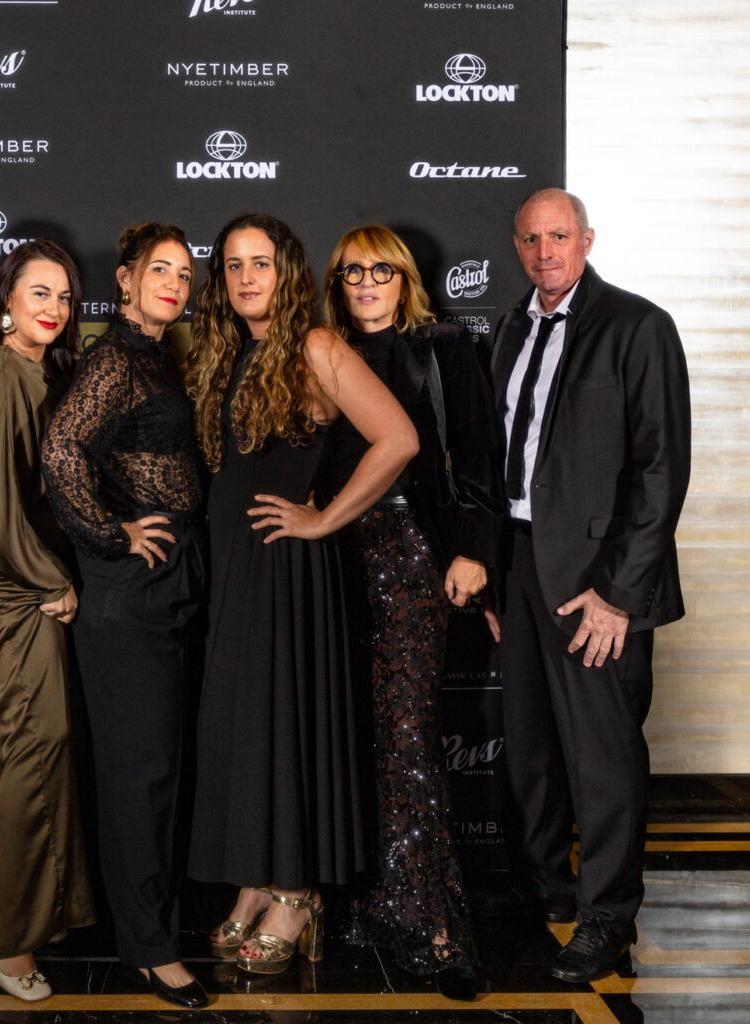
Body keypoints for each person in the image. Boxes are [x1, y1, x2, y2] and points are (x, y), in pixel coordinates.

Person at [186, 213, 417, 976]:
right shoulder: (227, 350)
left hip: (286, 571)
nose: (246, 277)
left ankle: (297, 893)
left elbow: (399, 439)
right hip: (234, 571)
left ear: (287, 272)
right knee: (247, 728)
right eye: (233, 265)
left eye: (261, 263)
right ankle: (257, 878)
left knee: (283, 725)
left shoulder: (315, 346)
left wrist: (323, 519)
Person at [490, 188, 690, 983]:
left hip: (595, 582)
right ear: (517, 246)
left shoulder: (638, 325)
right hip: (519, 565)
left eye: (559, 236)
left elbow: (661, 470)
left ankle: (608, 918)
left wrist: (620, 594)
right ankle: (547, 891)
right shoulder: (510, 327)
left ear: (587, 239)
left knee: (603, 759)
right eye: (531, 239)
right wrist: (496, 576)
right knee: (530, 749)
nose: (545, 252)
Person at [319, 225, 504, 1001]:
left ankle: (433, 924)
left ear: (405, 280)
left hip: (408, 552)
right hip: (328, 559)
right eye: (353, 271)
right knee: (342, 735)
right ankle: (357, 908)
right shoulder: (319, 351)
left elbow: (479, 454)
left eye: (381, 271)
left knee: (407, 739)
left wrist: (473, 551)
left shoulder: (445, 348)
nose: (367, 283)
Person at [41, 223, 210, 1009]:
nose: (174, 283)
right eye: (160, 270)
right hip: (129, 589)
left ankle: (157, 925)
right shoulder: (113, 358)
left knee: (162, 769)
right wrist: (111, 533)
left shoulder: (156, 355)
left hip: (173, 580)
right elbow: (61, 452)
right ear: (127, 277)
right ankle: (148, 949)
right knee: (140, 775)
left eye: (184, 273)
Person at [0, 240, 97, 1003]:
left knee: (23, 752)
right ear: (6, 298)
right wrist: (49, 581)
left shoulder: (42, 372)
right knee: (37, 747)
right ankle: (11, 946)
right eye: (39, 292)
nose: (54, 307)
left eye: (65, 296)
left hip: (24, 572)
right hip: (6, 582)